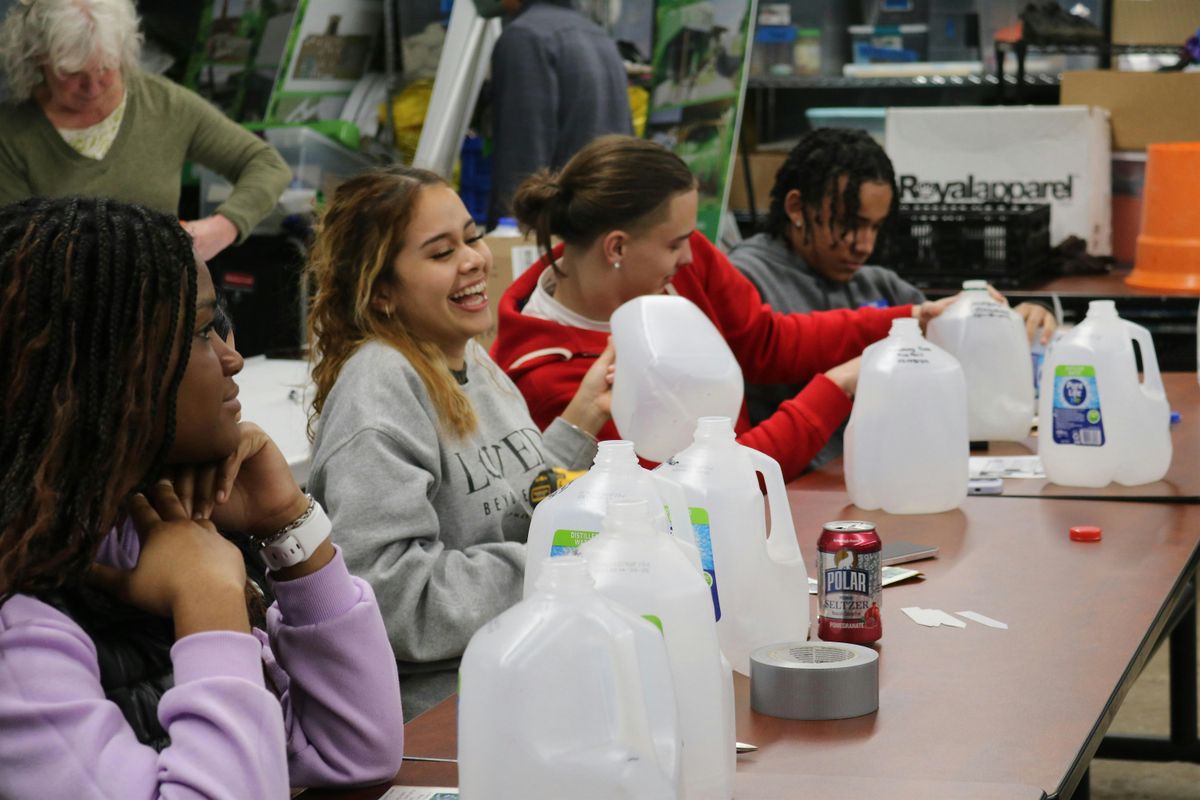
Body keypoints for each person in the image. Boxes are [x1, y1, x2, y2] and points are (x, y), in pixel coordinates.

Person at [0, 196, 404, 797]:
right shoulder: (18, 629)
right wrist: (208, 600)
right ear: (98, 372)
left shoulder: (150, 528)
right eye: (198, 333)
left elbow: (353, 751)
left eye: (221, 327)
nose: (232, 358)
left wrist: (288, 526)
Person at [304, 166, 614, 719]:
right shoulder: (381, 388)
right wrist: (560, 560)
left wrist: (584, 419)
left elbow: (514, 502)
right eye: (441, 252)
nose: (473, 259)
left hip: (520, 670)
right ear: (382, 293)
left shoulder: (466, 356)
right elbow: (394, 601)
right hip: (445, 720)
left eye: (471, 237)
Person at [490, 135, 960, 481]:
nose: (692, 256)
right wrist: (836, 387)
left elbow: (765, 341)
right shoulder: (550, 373)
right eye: (676, 244)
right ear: (616, 247)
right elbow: (694, 486)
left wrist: (907, 320)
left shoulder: (676, 265)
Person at [727, 127, 1057, 466]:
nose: (865, 245)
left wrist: (1011, 324)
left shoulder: (879, 285)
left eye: (875, 227)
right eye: (850, 224)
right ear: (796, 207)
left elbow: (953, 358)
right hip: (794, 488)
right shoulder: (744, 284)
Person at [0, 0, 290, 261]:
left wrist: (222, 228)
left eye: (105, 67)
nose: (92, 86)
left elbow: (266, 165)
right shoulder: (11, 134)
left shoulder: (165, 105)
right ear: (38, 59)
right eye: (72, 74)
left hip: (160, 307)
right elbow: (16, 248)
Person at [487, 0, 632, 227]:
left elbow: (522, 160)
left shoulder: (525, 36)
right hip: (601, 226)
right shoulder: (600, 38)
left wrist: (510, 235)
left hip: (556, 231)